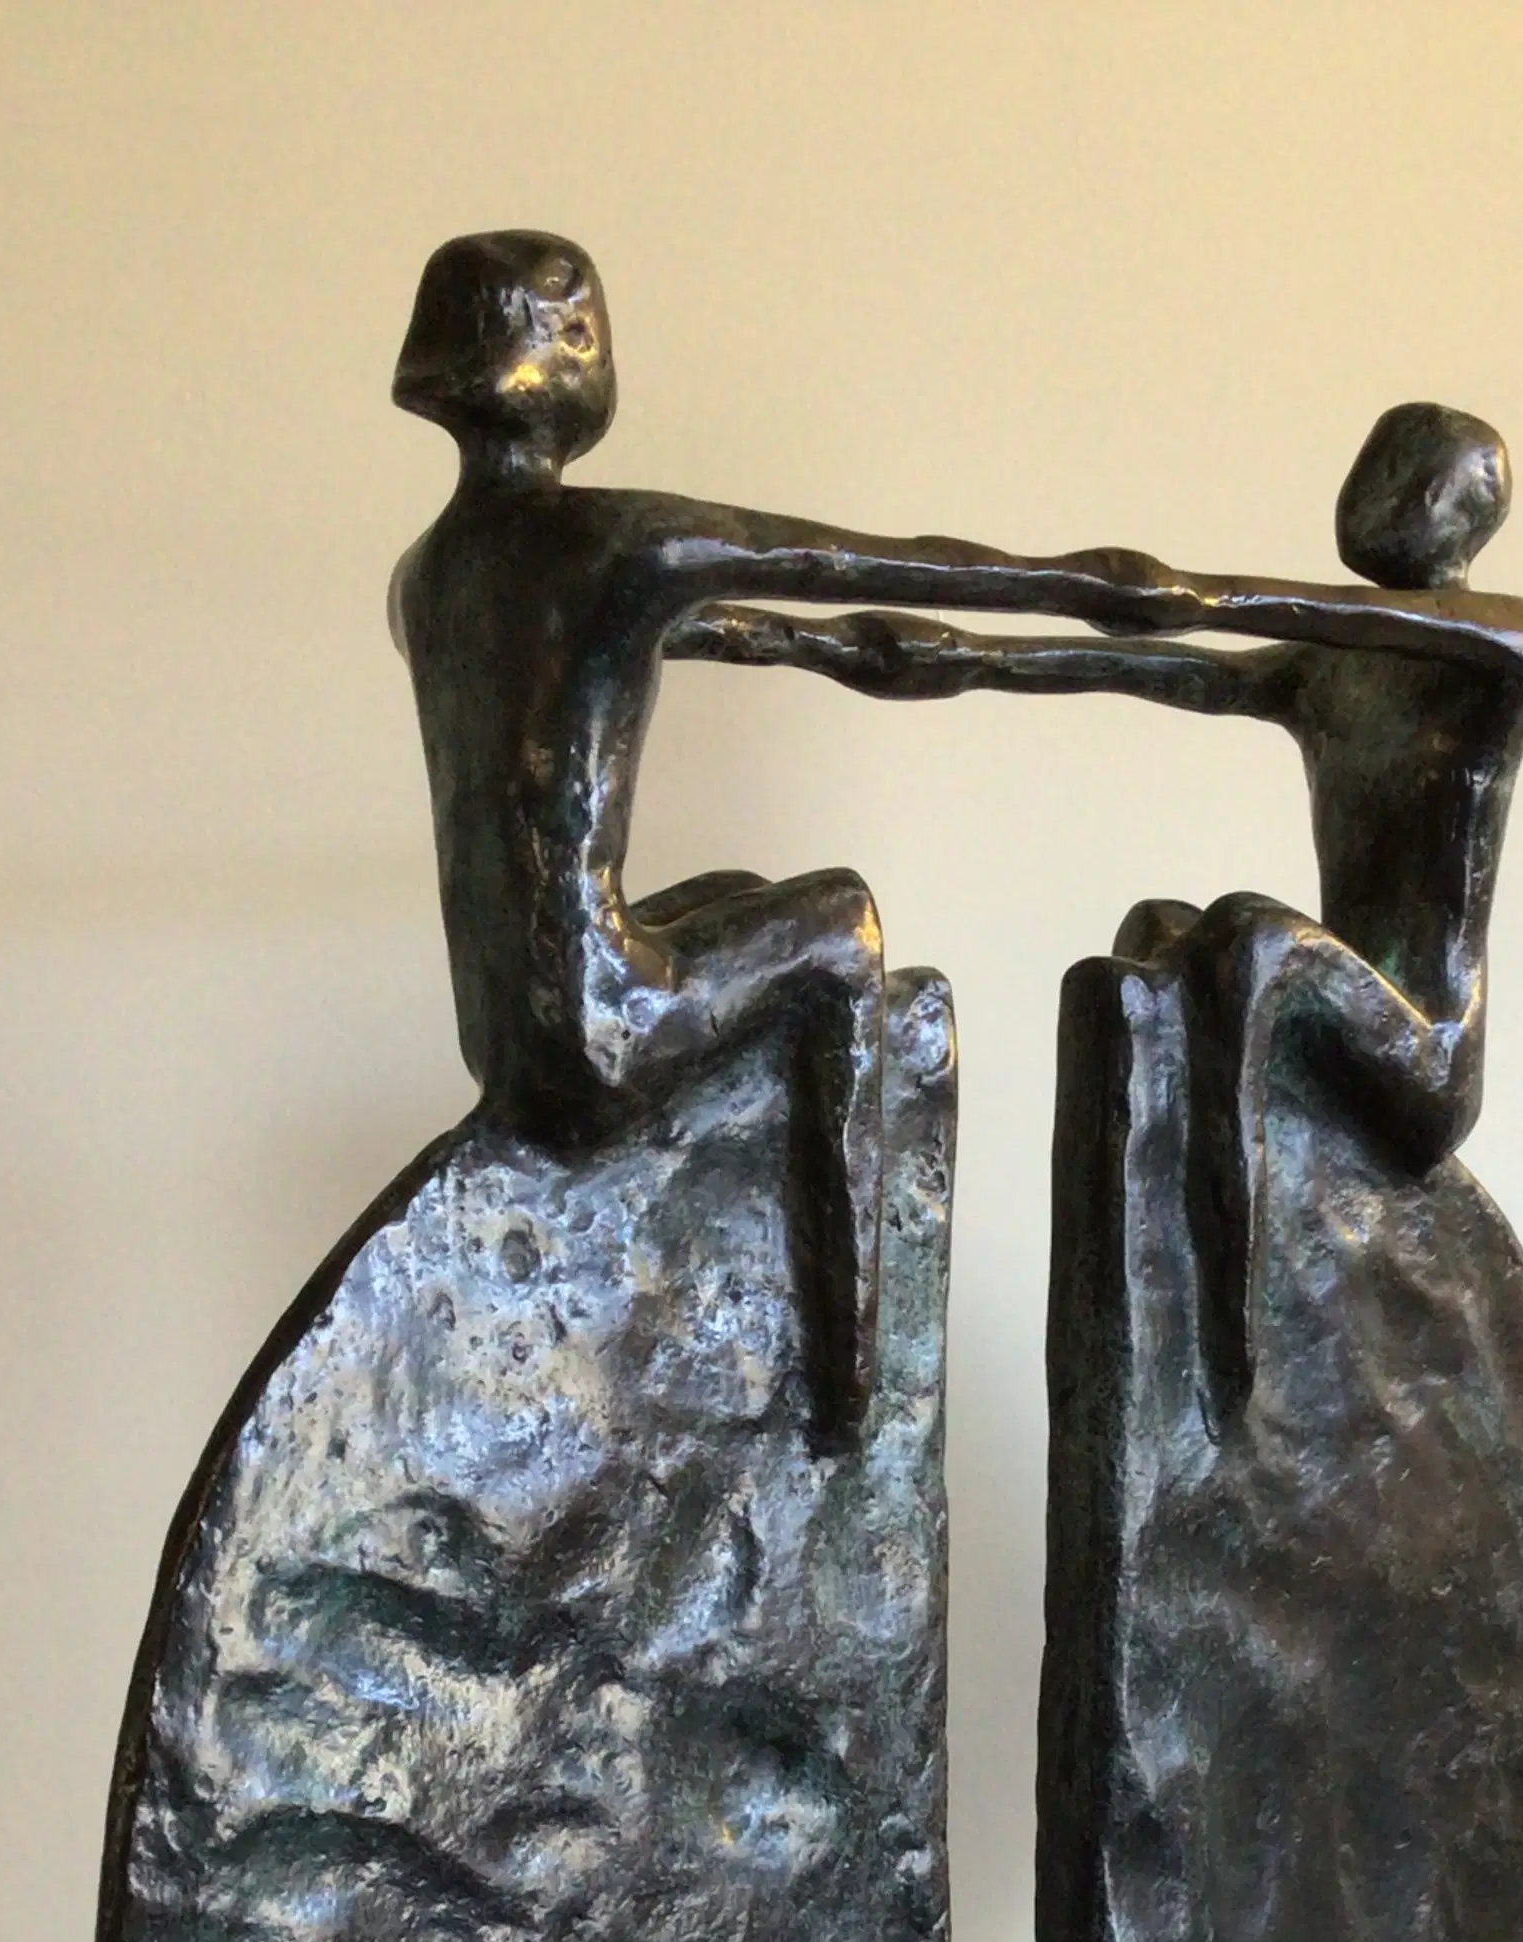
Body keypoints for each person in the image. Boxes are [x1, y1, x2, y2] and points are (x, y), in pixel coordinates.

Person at [389, 228, 1218, 1434]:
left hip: (506, 1041)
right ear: (539, 356)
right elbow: (872, 567)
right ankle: (849, 1358)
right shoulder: (614, 539)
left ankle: (769, 1248)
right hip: (600, 1032)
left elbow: (719, 638)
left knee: (730, 891)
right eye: (575, 327)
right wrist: (1107, 594)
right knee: (838, 923)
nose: (591, 347)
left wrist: (891, 655)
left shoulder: (426, 578)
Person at [677, 405, 1523, 1416]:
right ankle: (1159, 1298)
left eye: (1408, 479)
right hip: (1344, 1025)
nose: (1374, 498)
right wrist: (821, 644)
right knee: (1158, 941)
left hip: (1423, 1051)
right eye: (1374, 471)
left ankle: (1235, 1320)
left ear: (1465, 511)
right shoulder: (1333, 667)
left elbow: (1287, 622)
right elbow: (1132, 664)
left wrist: (1174, 594)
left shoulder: (1498, 654)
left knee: (1253, 940)